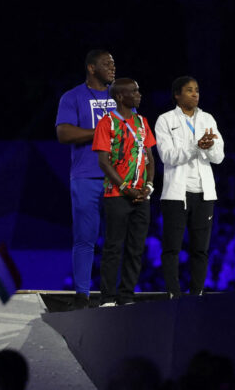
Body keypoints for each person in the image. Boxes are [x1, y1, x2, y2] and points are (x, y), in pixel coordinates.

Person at [55, 49, 117, 309]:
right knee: (85, 238)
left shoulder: (121, 95)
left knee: (117, 240)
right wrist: (102, 131)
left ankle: (112, 295)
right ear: (91, 68)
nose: (112, 67)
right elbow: (64, 133)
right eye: (106, 63)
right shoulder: (72, 97)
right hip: (86, 177)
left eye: (114, 63)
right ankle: (83, 295)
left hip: (117, 178)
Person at [155, 76, 225, 298]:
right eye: (189, 90)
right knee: (172, 248)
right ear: (177, 95)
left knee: (200, 249)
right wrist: (197, 147)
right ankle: (173, 294)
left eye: (197, 90)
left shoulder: (208, 119)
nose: (195, 94)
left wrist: (209, 146)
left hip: (204, 193)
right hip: (176, 193)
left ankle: (197, 294)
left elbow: (219, 157)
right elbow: (167, 156)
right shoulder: (165, 120)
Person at [92, 78, 156, 307]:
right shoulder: (107, 123)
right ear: (120, 96)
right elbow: (103, 162)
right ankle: (107, 298)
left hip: (141, 195)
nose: (139, 95)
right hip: (117, 195)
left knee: (136, 248)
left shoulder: (142, 122)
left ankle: (126, 296)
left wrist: (148, 186)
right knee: (113, 247)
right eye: (134, 91)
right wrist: (125, 188)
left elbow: (150, 159)